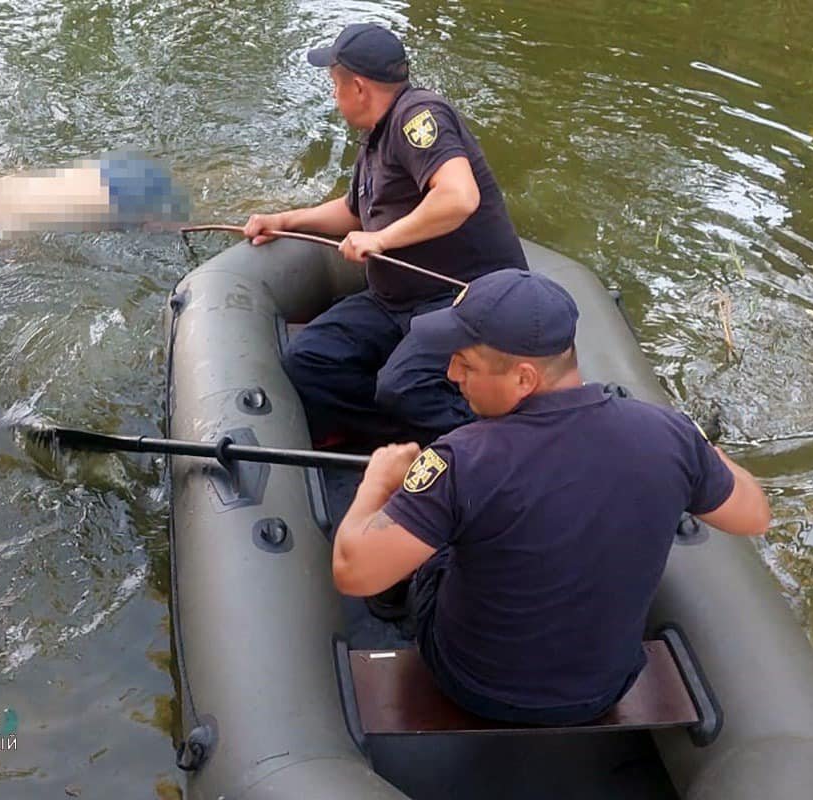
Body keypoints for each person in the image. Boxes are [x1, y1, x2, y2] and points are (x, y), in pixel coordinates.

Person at [331, 269, 772, 725]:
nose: (451, 374)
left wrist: (379, 482)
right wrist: (699, 447)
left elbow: (353, 572)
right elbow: (754, 516)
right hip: (603, 690)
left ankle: (394, 608)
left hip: (475, 686)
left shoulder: (461, 458)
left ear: (524, 378)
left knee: (434, 548)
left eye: (466, 364)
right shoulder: (669, 434)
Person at [243, 23, 527, 445]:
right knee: (309, 358)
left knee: (404, 387)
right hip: (395, 301)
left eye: (335, 85)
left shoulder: (419, 117)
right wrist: (285, 221)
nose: (333, 96)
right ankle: (405, 437)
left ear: (358, 87)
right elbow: (353, 212)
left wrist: (380, 239)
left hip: (463, 298)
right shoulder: (375, 138)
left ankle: (488, 447)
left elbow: (459, 196)